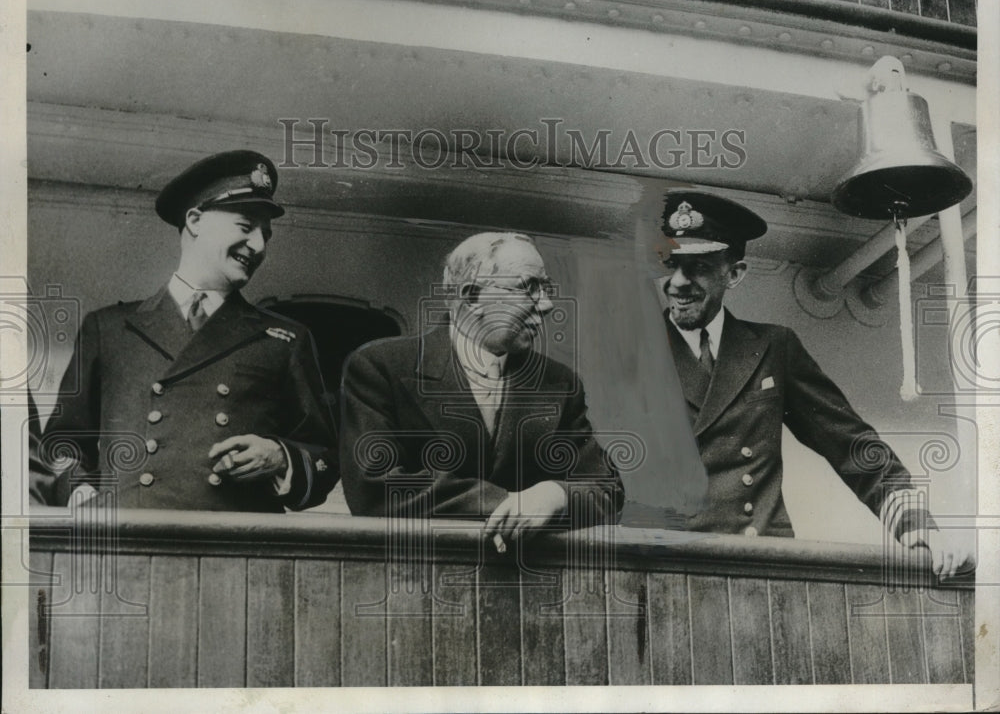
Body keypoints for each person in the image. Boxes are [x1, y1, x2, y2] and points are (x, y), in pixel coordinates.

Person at [656, 189, 973, 577]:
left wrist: (917, 524)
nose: (677, 283)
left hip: (762, 567)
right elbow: (596, 474)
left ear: (734, 274)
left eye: (698, 268)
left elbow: (851, 444)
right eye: (672, 264)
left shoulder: (774, 346)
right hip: (664, 570)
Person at [31, 150, 337, 512]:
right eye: (245, 227)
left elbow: (326, 458)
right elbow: (61, 445)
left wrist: (281, 456)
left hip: (236, 550)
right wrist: (81, 492)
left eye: (265, 235)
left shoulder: (285, 339)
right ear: (195, 220)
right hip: (130, 543)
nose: (258, 245)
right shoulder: (108, 329)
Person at [339, 231, 623, 543]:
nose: (547, 304)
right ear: (472, 296)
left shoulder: (559, 382)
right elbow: (375, 488)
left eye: (546, 288)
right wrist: (509, 504)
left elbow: (606, 487)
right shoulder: (381, 367)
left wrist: (554, 496)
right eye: (529, 287)